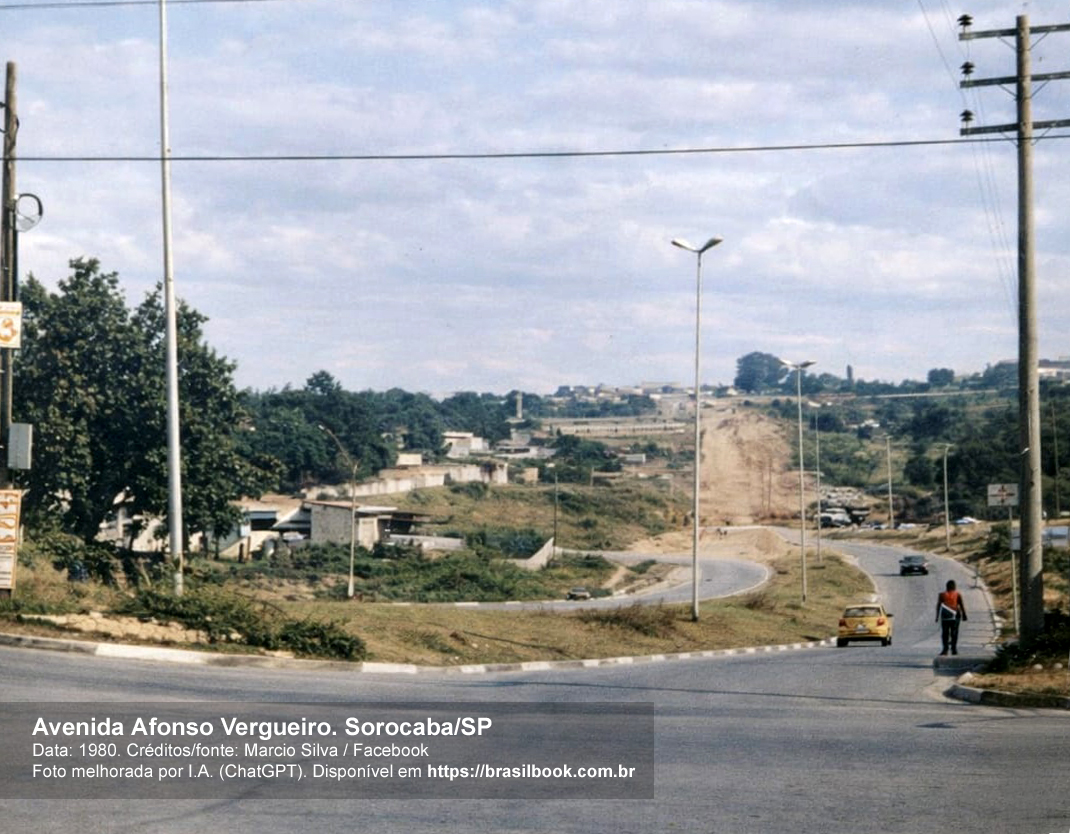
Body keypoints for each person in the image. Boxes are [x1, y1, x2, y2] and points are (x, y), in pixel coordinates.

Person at [935, 579, 968, 655]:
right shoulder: (958, 594)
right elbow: (961, 605)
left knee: (945, 633)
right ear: (954, 587)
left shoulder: (942, 595)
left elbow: (938, 606)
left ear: (946, 587)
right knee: (954, 632)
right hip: (955, 615)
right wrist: (964, 615)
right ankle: (954, 649)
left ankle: (945, 650)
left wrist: (937, 617)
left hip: (945, 616)